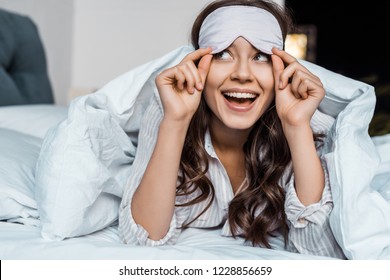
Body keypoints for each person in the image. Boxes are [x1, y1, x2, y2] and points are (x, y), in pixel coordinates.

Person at [119, 0, 346, 259]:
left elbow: (319, 251)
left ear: (280, 68)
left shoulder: (305, 121)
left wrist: (297, 129)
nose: (242, 74)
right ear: (197, 66)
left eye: (260, 56)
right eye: (222, 54)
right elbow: (143, 239)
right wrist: (175, 122)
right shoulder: (169, 110)